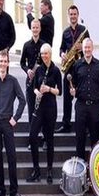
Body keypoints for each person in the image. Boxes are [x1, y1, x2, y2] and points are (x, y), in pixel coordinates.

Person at [0, 50, 27, 196]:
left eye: (5, 61)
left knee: (12, 158)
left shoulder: (13, 81)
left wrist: (15, 118)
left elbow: (22, 100)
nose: (3, 64)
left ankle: (14, 193)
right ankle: (1, 190)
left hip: (8, 123)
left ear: (8, 63)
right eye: (1, 61)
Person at [28, 44, 61, 184]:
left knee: (49, 139)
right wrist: (38, 92)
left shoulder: (56, 70)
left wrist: (48, 89)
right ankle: (36, 169)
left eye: (46, 54)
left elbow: (59, 92)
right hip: (39, 107)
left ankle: (49, 170)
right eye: (42, 54)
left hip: (50, 108)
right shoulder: (39, 69)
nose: (44, 56)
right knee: (32, 136)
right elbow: (34, 87)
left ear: (50, 54)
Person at [70, 38, 99, 155]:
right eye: (85, 48)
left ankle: (93, 166)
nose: (87, 50)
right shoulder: (77, 65)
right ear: (82, 49)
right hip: (81, 105)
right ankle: (80, 164)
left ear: (92, 48)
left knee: (95, 137)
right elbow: (74, 85)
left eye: (89, 47)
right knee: (80, 137)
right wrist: (73, 92)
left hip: (95, 107)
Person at [57, 5, 89, 133]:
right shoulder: (65, 32)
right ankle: (66, 124)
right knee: (67, 99)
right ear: (68, 15)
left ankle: (85, 125)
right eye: (71, 14)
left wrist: (83, 47)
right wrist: (62, 54)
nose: (73, 16)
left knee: (82, 97)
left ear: (78, 15)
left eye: (75, 14)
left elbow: (89, 45)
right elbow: (61, 48)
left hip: (81, 68)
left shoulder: (84, 31)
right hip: (69, 68)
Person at [19, 19, 45, 118]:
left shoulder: (44, 45)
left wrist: (40, 68)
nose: (35, 29)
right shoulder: (26, 45)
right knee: (31, 106)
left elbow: (47, 63)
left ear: (40, 29)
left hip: (41, 80)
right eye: (33, 27)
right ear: (31, 28)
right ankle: (32, 131)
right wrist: (28, 70)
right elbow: (22, 63)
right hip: (30, 78)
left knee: (41, 107)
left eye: (37, 27)